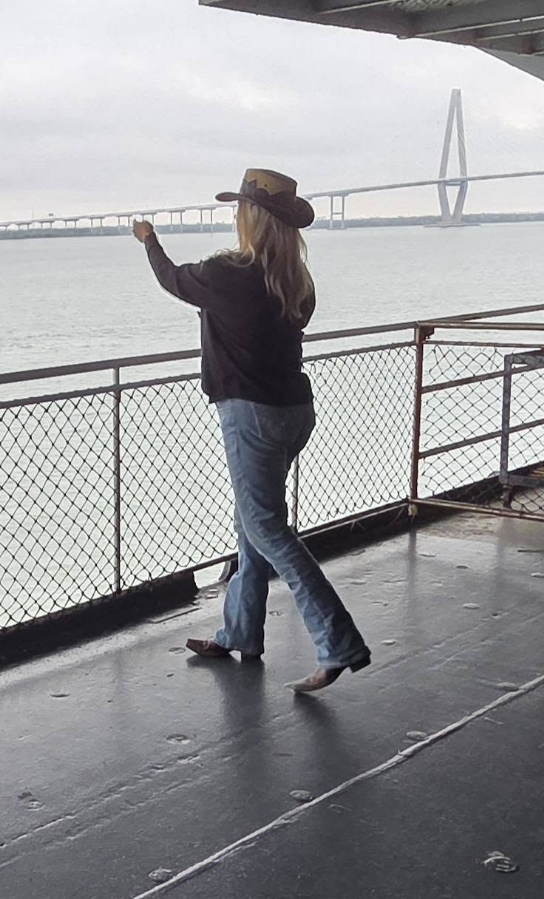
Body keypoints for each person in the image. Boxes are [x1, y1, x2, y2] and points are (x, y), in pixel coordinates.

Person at [131, 168, 371, 694]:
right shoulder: (296, 281)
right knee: (251, 525)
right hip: (294, 411)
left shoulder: (227, 272)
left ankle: (338, 642)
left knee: (266, 529)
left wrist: (149, 240)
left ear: (251, 217)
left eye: (241, 207)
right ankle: (239, 632)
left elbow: (172, 278)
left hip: (251, 415)